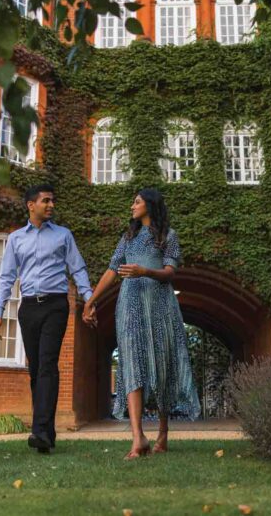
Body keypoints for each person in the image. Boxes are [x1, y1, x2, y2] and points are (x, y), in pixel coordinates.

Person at [83, 188, 200, 459]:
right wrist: (91, 301)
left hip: (160, 305)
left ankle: (162, 431)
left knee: (162, 365)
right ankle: (138, 438)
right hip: (130, 304)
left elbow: (170, 272)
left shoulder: (168, 236)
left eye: (136, 202)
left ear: (150, 204)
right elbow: (112, 270)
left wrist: (144, 271)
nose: (132, 206)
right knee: (132, 363)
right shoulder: (128, 238)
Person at [0, 184, 92, 454]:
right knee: (35, 368)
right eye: (46, 201)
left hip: (56, 305)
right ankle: (46, 434)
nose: (51, 205)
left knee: (47, 363)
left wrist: (89, 298)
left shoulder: (63, 236)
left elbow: (78, 268)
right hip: (28, 308)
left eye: (52, 201)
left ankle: (38, 429)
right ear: (30, 205)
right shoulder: (16, 239)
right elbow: (6, 277)